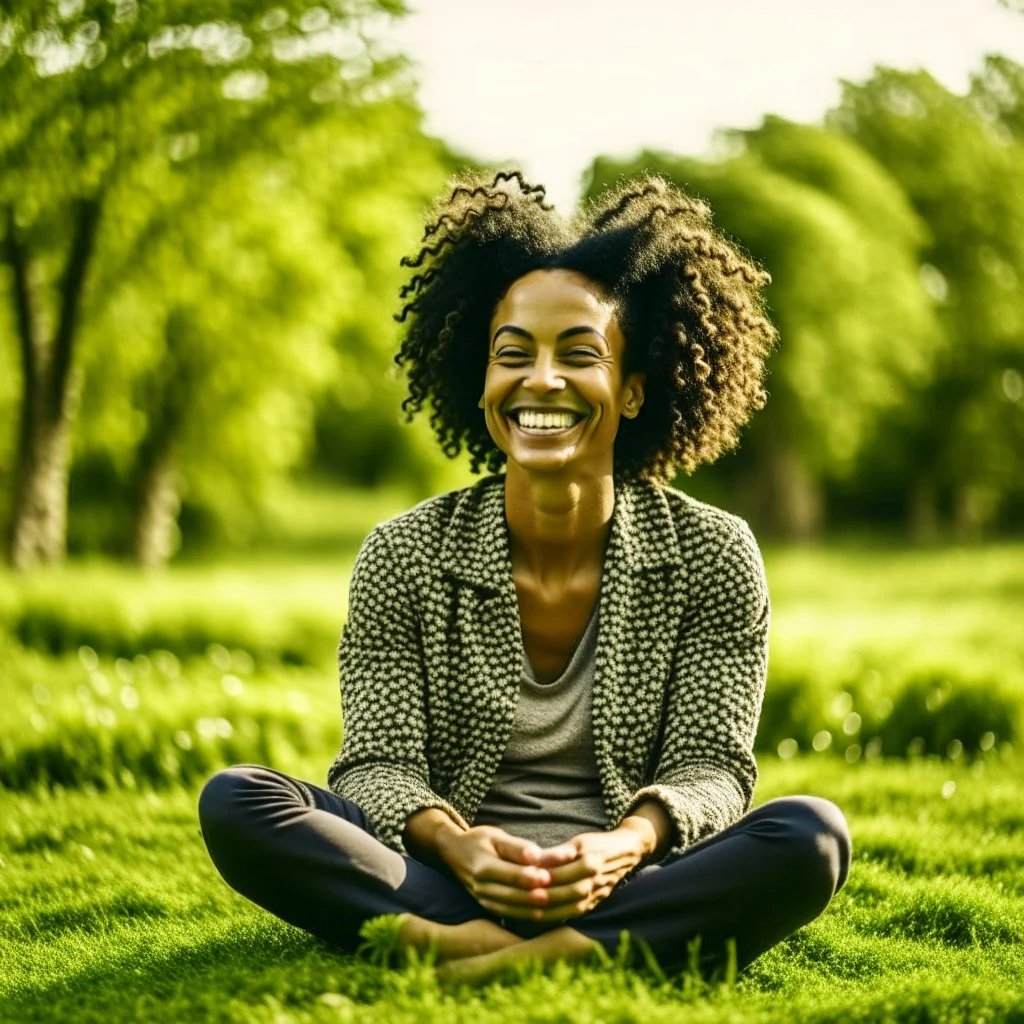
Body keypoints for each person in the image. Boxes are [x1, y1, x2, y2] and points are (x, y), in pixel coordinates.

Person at [197, 170, 852, 985]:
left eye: (578, 355)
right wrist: (457, 843)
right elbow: (376, 765)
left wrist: (625, 844)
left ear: (634, 389)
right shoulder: (402, 553)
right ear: (483, 387)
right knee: (239, 800)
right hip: (444, 879)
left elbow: (711, 769)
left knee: (812, 836)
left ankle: (505, 952)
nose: (541, 380)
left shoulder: (714, 553)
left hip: (623, 882)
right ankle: (490, 941)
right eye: (515, 356)